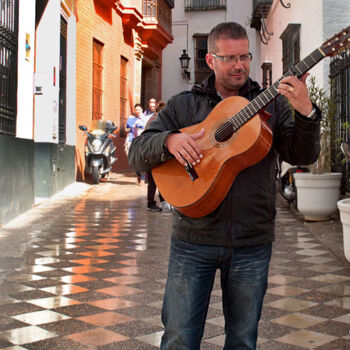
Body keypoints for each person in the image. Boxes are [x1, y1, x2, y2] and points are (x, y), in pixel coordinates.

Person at [128, 22, 321, 350]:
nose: (239, 65)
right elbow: (137, 153)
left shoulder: (270, 104)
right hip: (193, 239)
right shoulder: (183, 105)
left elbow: (303, 153)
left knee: (243, 341)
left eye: (244, 56)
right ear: (210, 61)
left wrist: (305, 111)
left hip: (251, 241)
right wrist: (169, 140)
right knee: (178, 339)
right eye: (229, 58)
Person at [144, 101, 172, 212]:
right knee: (154, 179)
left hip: (155, 153)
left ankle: (162, 200)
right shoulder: (156, 120)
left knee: (158, 178)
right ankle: (151, 203)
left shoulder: (155, 119)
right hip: (153, 153)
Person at [125, 103, 145, 183]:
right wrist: (130, 127)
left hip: (141, 141)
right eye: (136, 110)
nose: (137, 111)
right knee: (133, 159)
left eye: (139, 110)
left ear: (142, 110)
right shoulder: (131, 118)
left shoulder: (145, 118)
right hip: (132, 140)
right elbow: (126, 129)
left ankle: (143, 177)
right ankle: (138, 174)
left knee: (141, 158)